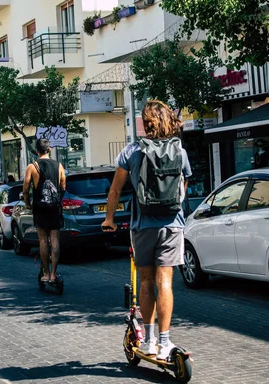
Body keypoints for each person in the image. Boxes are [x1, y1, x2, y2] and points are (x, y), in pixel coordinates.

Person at [102, 100, 192, 361]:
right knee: (165, 282)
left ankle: (149, 341)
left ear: (145, 123)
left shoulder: (131, 151)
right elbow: (182, 190)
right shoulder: (180, 151)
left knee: (145, 281)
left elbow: (116, 189)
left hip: (143, 226)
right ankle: (165, 343)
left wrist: (109, 219)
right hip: (172, 224)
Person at [22, 139, 66, 282]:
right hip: (55, 207)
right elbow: (63, 185)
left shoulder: (32, 167)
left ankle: (46, 274)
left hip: (40, 207)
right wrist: (58, 199)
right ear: (49, 149)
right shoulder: (58, 165)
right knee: (55, 240)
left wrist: (28, 203)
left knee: (42, 240)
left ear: (37, 151)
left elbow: (25, 189)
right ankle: (54, 274)